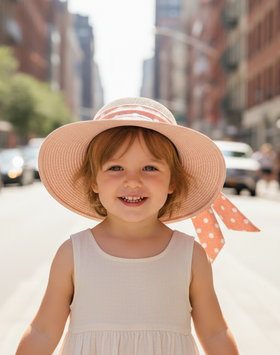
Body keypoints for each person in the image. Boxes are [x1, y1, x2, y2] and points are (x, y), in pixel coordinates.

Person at [15, 97, 259, 355]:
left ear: (172, 182)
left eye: (150, 168)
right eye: (116, 167)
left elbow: (214, 332)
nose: (132, 181)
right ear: (94, 181)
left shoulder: (190, 255)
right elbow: (43, 331)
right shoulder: (73, 254)